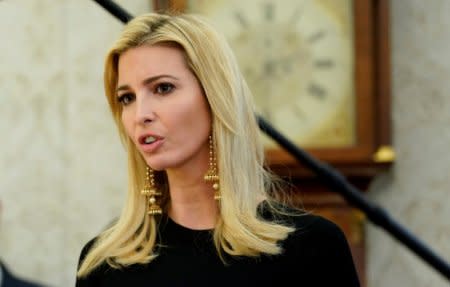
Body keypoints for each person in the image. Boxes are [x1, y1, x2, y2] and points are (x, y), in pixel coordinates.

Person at [75, 12, 360, 286]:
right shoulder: (105, 263)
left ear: (215, 97)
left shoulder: (312, 247)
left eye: (162, 88)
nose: (140, 114)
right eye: (127, 98)